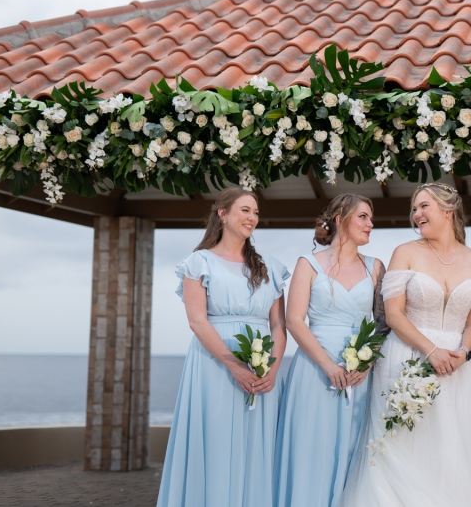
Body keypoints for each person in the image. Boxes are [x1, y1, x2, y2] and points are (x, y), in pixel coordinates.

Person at [341, 182, 471, 507]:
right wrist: (431, 350)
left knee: (453, 454)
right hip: (408, 355)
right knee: (404, 448)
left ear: (448, 211)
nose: (416, 214)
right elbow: (393, 314)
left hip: (458, 368)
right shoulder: (405, 252)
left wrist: (463, 353)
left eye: (424, 207)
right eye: (414, 209)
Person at [156, 188, 290, 507]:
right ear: (223, 214)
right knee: (215, 442)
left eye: (255, 212)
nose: (251, 218)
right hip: (214, 366)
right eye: (245, 210)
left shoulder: (270, 267)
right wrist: (233, 365)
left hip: (262, 368)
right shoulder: (198, 262)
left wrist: (273, 368)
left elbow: (278, 326)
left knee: (257, 445)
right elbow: (198, 321)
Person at [275, 194, 385, 507]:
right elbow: (295, 321)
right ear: (340, 220)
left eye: (371, 218)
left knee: (354, 447)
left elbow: (383, 323)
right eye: (363, 217)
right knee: (312, 446)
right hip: (315, 369)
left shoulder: (376, 267)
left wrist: (366, 364)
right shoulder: (307, 264)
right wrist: (328, 365)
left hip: (359, 374)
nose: (370, 224)